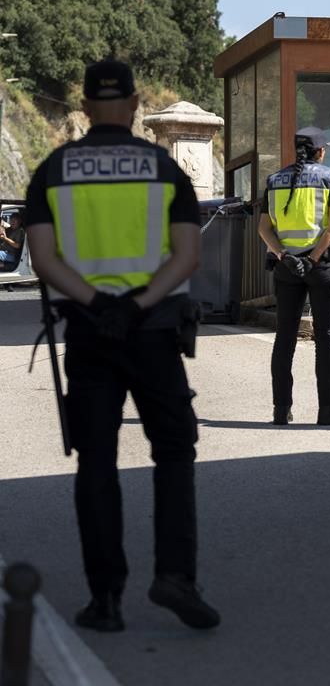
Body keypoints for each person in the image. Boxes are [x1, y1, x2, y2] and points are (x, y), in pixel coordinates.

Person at [23, 60, 220, 632]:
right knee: (175, 453)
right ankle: (175, 577)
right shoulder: (164, 169)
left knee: (97, 463)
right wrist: (134, 306)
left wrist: (97, 305)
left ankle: (104, 600)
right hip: (155, 331)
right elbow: (187, 257)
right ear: (134, 105)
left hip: (89, 334)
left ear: (84, 108)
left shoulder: (54, 171)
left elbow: (44, 258)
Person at [258, 127, 330, 426]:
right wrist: (311, 260)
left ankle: (280, 410)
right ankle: (328, 410)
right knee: (324, 337)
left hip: (286, 269)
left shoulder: (274, 180)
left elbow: (264, 228)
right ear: (321, 151)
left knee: (284, 337)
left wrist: (285, 257)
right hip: (321, 266)